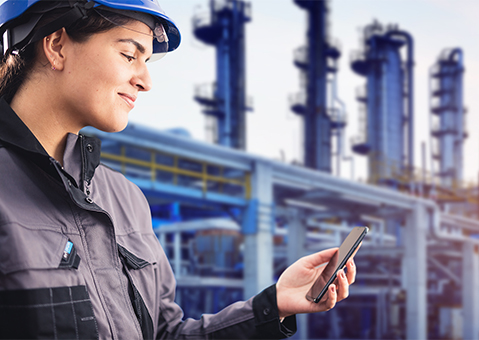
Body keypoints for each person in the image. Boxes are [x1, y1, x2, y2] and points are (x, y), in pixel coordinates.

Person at [0, 0, 356, 338]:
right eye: (128, 55)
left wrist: (272, 305)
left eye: (147, 62)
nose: (145, 81)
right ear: (57, 45)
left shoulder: (123, 199)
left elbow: (165, 334)